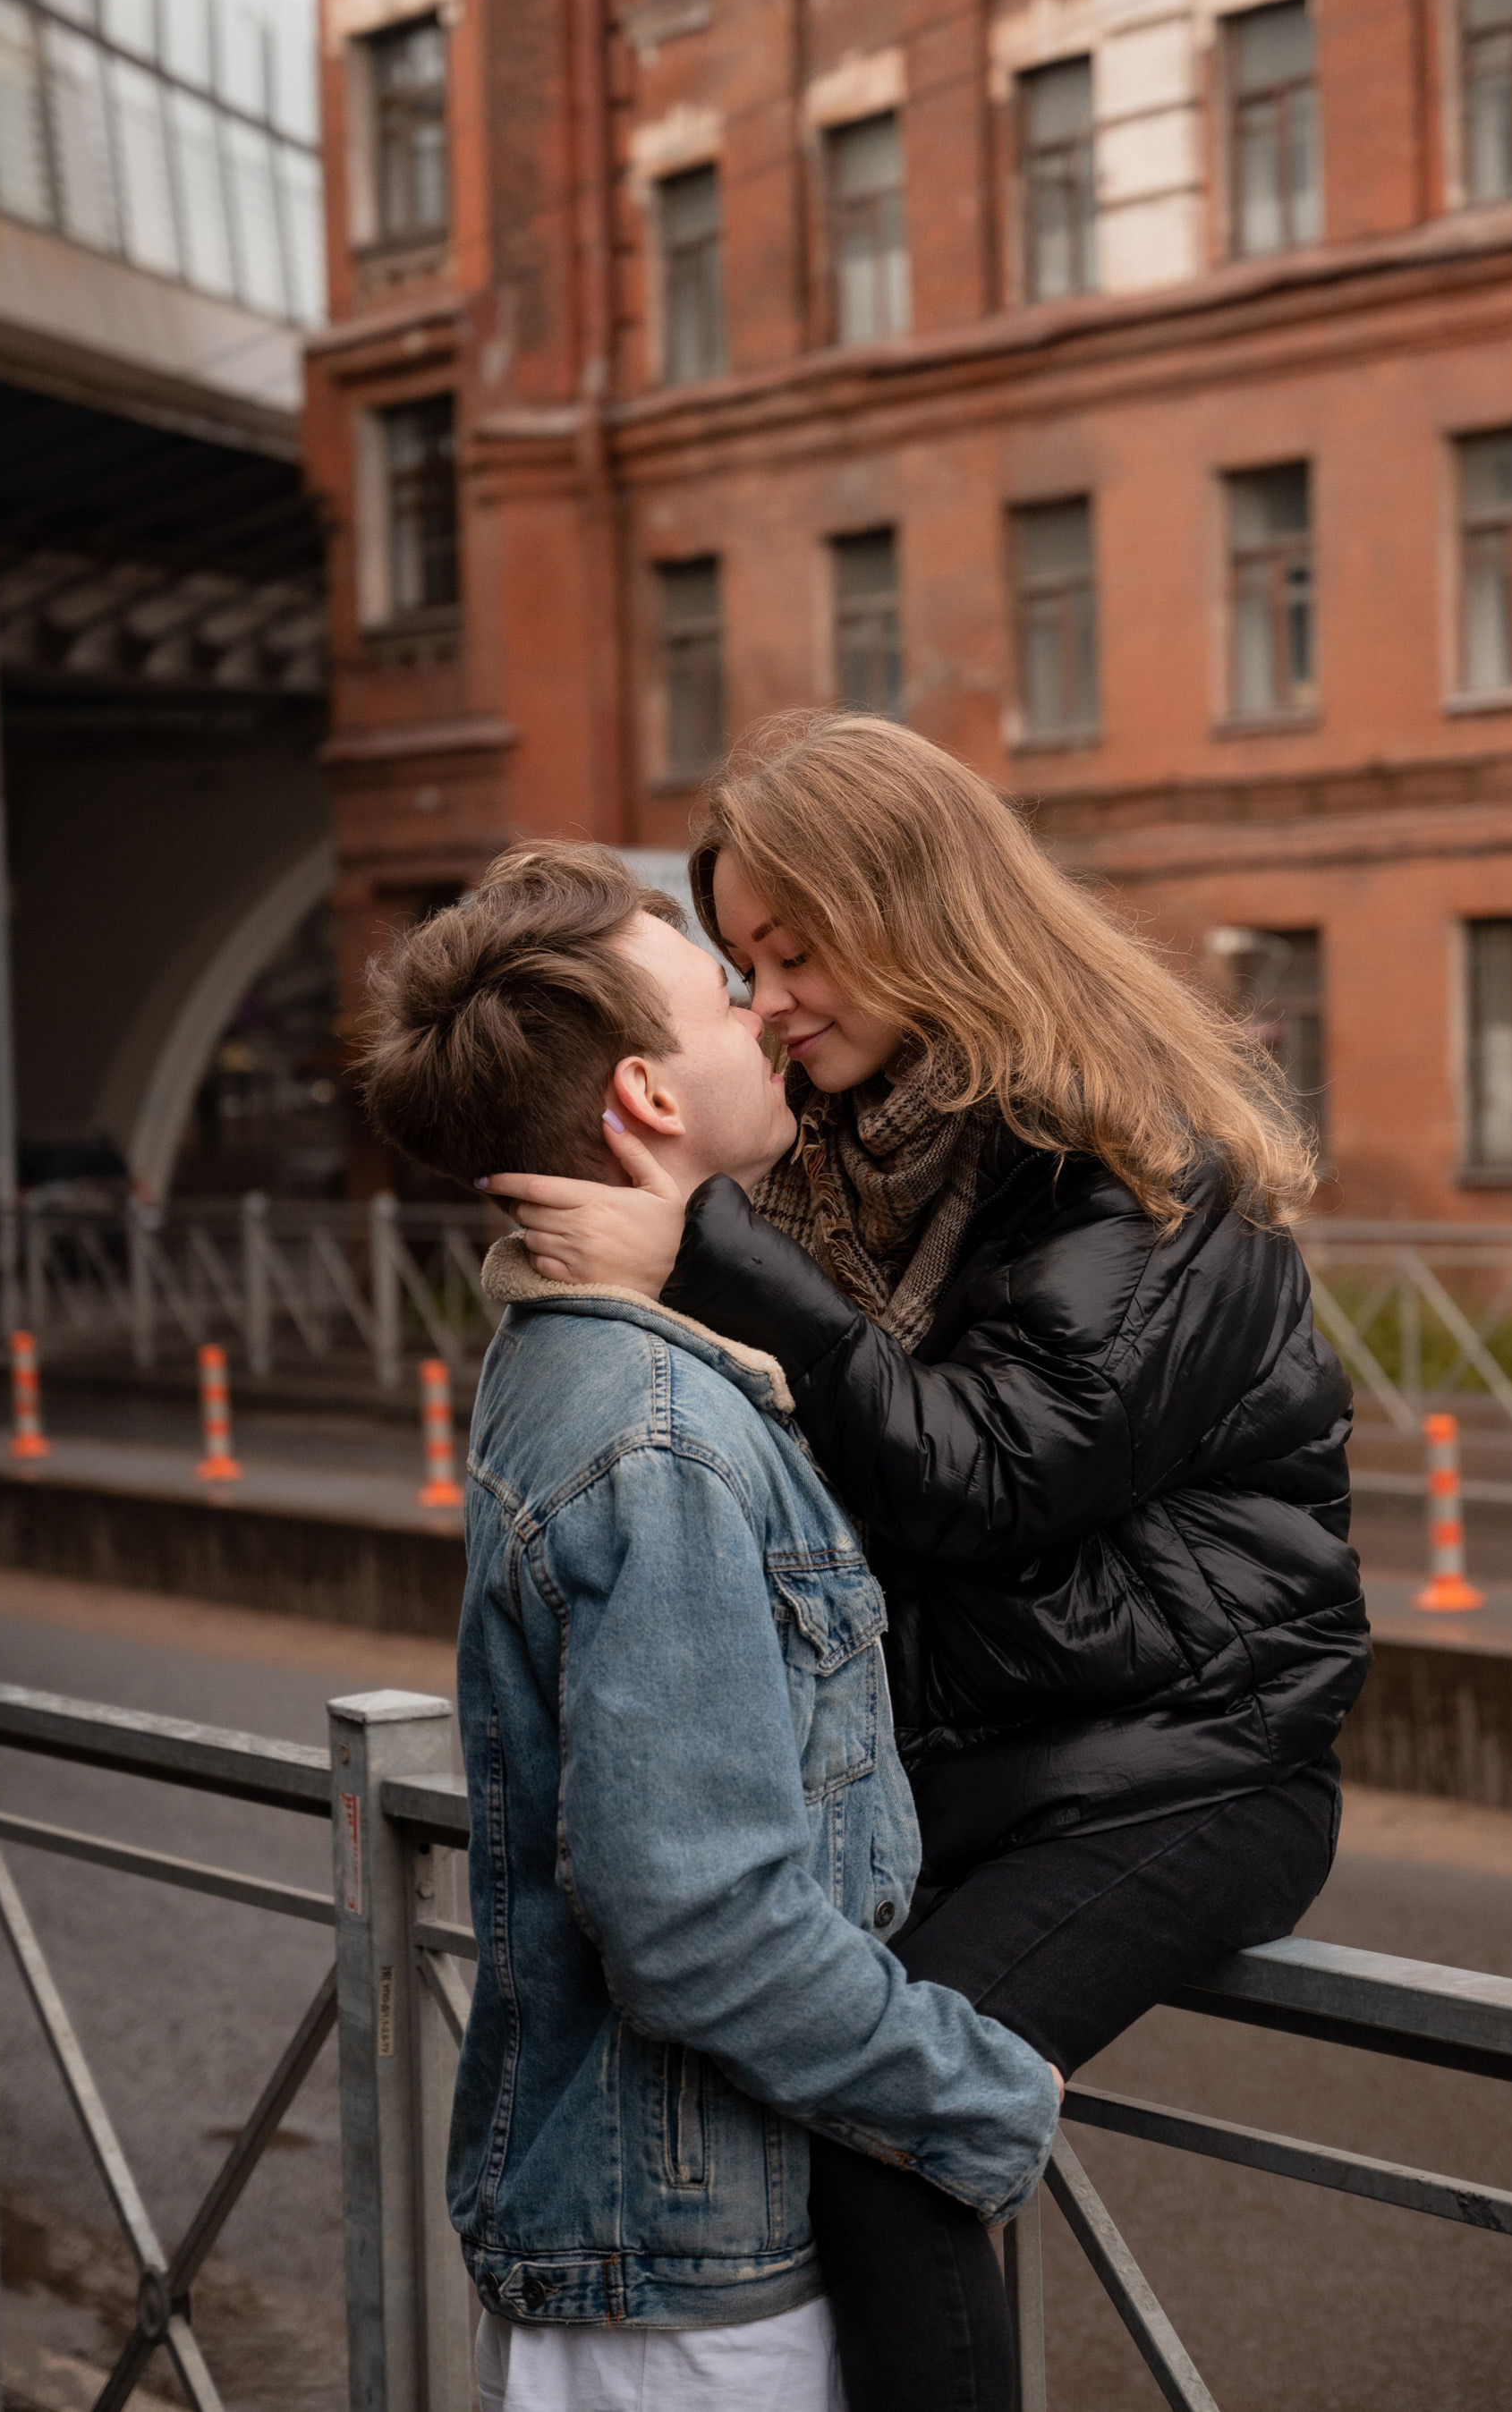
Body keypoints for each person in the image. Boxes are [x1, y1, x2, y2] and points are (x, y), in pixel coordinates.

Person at [483, 713, 1372, 2412]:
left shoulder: (1137, 1163)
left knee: (888, 2137)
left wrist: (704, 1245)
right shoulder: (858, 1149)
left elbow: (985, 1476)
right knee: (742, 2042)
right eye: (744, 964)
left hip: (1189, 1770)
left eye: (797, 951)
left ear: (917, 912)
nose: (768, 1002)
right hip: (977, 1764)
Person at [356, 839, 1060, 2412]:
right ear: (649, 1096)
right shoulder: (656, 1434)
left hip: (644, 2253)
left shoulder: (582, 1360)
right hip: (689, 2296)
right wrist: (981, 2094)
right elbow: (696, 1917)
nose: (765, 1015)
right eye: (725, 995)